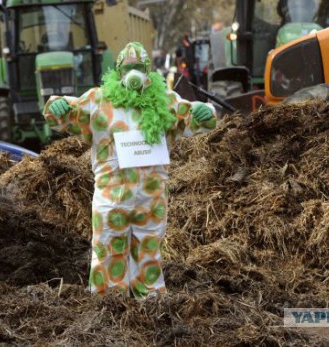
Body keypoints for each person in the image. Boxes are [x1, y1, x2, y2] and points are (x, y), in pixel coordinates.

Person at [43, 41, 217, 298]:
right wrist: (56, 105)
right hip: (111, 196)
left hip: (151, 196)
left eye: (137, 67)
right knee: (107, 248)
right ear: (117, 70)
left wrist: (205, 112)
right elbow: (69, 111)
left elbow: (190, 116)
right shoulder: (99, 100)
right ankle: (108, 304)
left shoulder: (164, 101)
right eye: (127, 67)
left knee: (148, 250)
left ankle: (150, 304)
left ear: (147, 69)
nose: (132, 72)